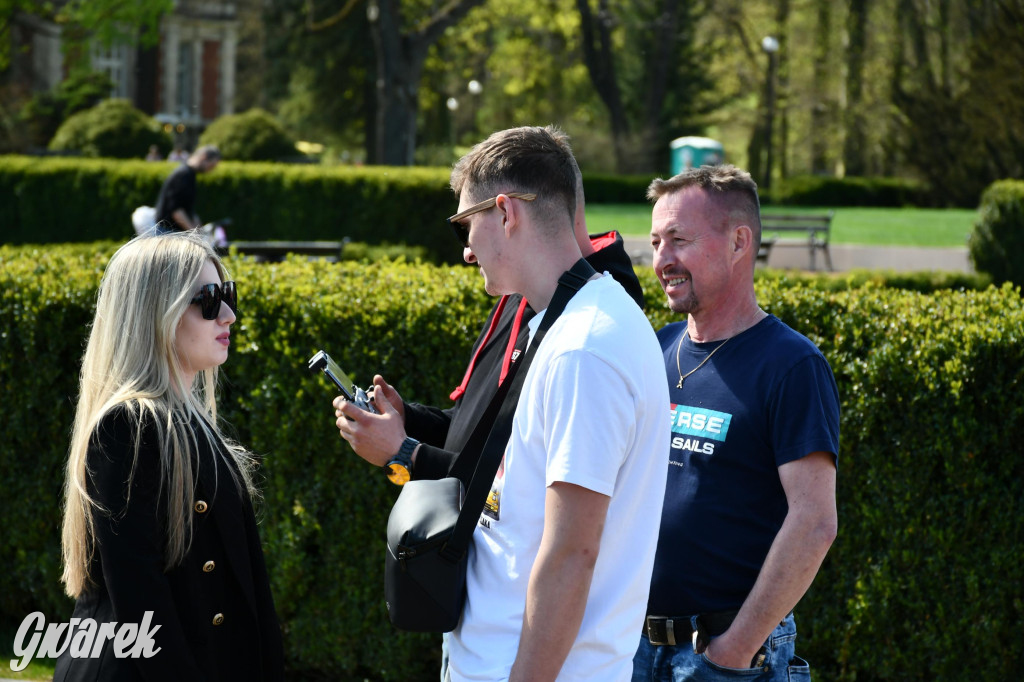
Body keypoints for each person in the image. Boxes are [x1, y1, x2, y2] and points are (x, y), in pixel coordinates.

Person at [339, 126, 669, 681]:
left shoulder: (583, 348)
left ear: (506, 212)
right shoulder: (570, 323)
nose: (465, 247)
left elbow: (572, 555)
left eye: (466, 222)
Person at [633, 164, 839, 681]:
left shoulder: (791, 364)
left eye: (678, 240)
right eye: (656, 242)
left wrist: (733, 650)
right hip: (632, 646)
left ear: (738, 242)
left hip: (724, 657)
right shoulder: (654, 349)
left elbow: (814, 522)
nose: (663, 260)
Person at [55, 231, 284, 680]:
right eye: (210, 299)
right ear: (157, 311)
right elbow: (142, 602)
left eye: (228, 294)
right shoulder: (127, 427)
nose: (230, 315)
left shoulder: (191, 422)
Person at [154, 145, 220, 233]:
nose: (210, 170)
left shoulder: (190, 175)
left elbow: (188, 209)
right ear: (204, 157)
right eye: (211, 166)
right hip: (168, 233)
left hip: (173, 232)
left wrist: (200, 230)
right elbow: (176, 210)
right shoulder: (183, 175)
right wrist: (194, 234)